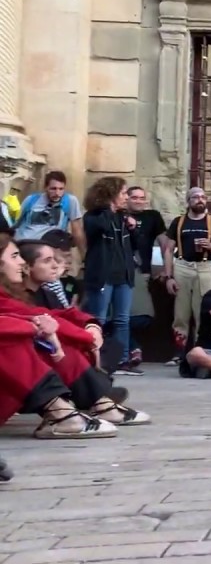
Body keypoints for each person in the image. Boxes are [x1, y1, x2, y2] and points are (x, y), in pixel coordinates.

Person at [0, 232, 150, 435]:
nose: (20, 263)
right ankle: (76, 404)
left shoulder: (41, 293)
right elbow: (37, 318)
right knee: (20, 341)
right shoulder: (15, 295)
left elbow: (53, 315)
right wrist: (39, 328)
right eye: (14, 256)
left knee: (80, 343)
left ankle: (88, 401)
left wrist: (90, 326)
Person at [80, 176, 142, 375]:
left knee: (122, 319)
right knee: (98, 318)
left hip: (123, 275)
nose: (126, 197)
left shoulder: (123, 218)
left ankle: (122, 360)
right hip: (102, 275)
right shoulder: (94, 216)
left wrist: (133, 229)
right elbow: (102, 227)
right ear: (110, 194)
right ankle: (95, 359)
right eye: (123, 193)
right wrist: (109, 209)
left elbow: (138, 244)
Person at [160, 187, 211, 365]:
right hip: (182, 266)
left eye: (203, 197)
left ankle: (200, 353)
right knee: (181, 313)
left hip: (205, 268)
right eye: (195, 197)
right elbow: (168, 250)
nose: (200, 200)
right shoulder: (179, 222)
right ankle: (179, 353)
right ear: (188, 201)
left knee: (203, 313)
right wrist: (168, 276)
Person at [123, 186, 166, 369]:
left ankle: (131, 347)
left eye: (142, 198)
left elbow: (165, 243)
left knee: (142, 317)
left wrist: (166, 268)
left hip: (142, 271)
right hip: (119, 270)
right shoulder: (118, 215)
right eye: (135, 198)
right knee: (117, 316)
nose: (139, 201)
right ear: (127, 199)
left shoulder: (152, 216)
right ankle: (131, 349)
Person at [14, 171, 85, 253]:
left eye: (61, 189)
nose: (57, 193)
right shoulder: (31, 200)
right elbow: (16, 223)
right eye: (53, 189)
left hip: (50, 246)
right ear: (45, 188)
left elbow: (77, 231)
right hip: (25, 244)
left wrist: (84, 255)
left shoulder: (69, 201)